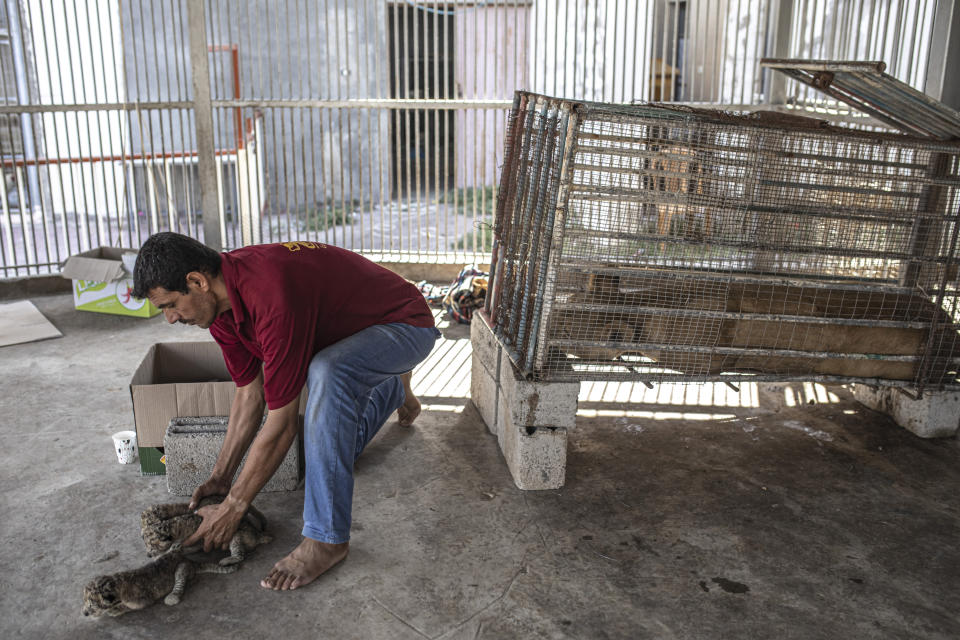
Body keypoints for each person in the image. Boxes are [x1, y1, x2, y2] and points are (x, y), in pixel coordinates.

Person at [132, 232, 440, 591]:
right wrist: (221, 477)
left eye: (169, 305)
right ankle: (391, 389)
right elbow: (250, 394)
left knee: (327, 370)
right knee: (332, 454)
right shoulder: (221, 309)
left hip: (406, 326)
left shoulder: (270, 293)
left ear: (197, 282)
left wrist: (234, 507)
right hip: (354, 337)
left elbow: (281, 425)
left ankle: (327, 539)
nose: (170, 318)